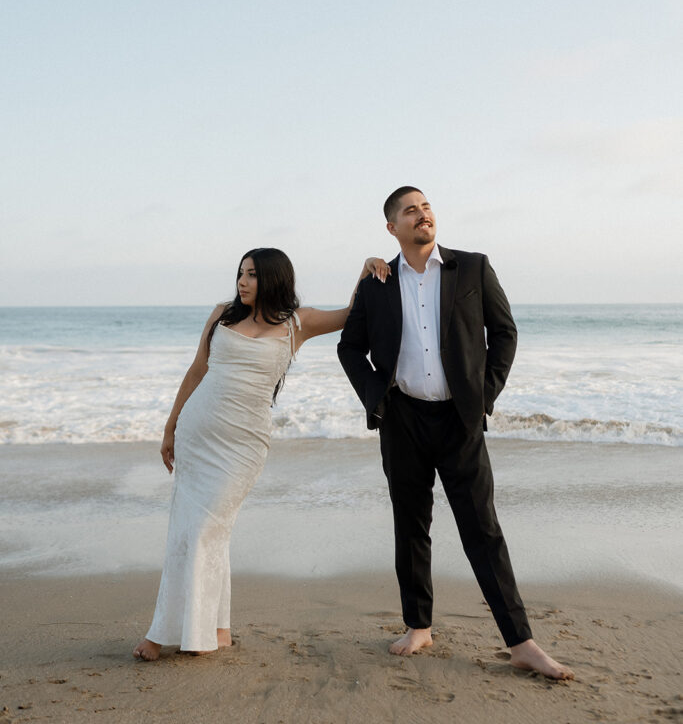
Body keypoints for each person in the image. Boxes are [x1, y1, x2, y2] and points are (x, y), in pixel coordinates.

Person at [337, 188, 574, 680]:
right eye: (410, 211)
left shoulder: (472, 267)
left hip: (459, 420)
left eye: (426, 207)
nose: (422, 215)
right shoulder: (377, 281)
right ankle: (418, 626)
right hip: (402, 419)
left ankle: (521, 641)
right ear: (391, 229)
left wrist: (483, 395)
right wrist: (376, 397)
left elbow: (505, 332)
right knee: (411, 525)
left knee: (482, 531)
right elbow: (349, 347)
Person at [134, 247, 387, 661]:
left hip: (243, 446)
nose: (242, 282)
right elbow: (198, 369)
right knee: (195, 529)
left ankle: (165, 634)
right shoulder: (221, 315)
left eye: (251, 275)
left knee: (204, 529)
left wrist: (364, 269)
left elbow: (351, 312)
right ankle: (217, 629)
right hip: (198, 433)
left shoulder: (297, 324)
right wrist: (170, 424)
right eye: (240, 273)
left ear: (272, 278)